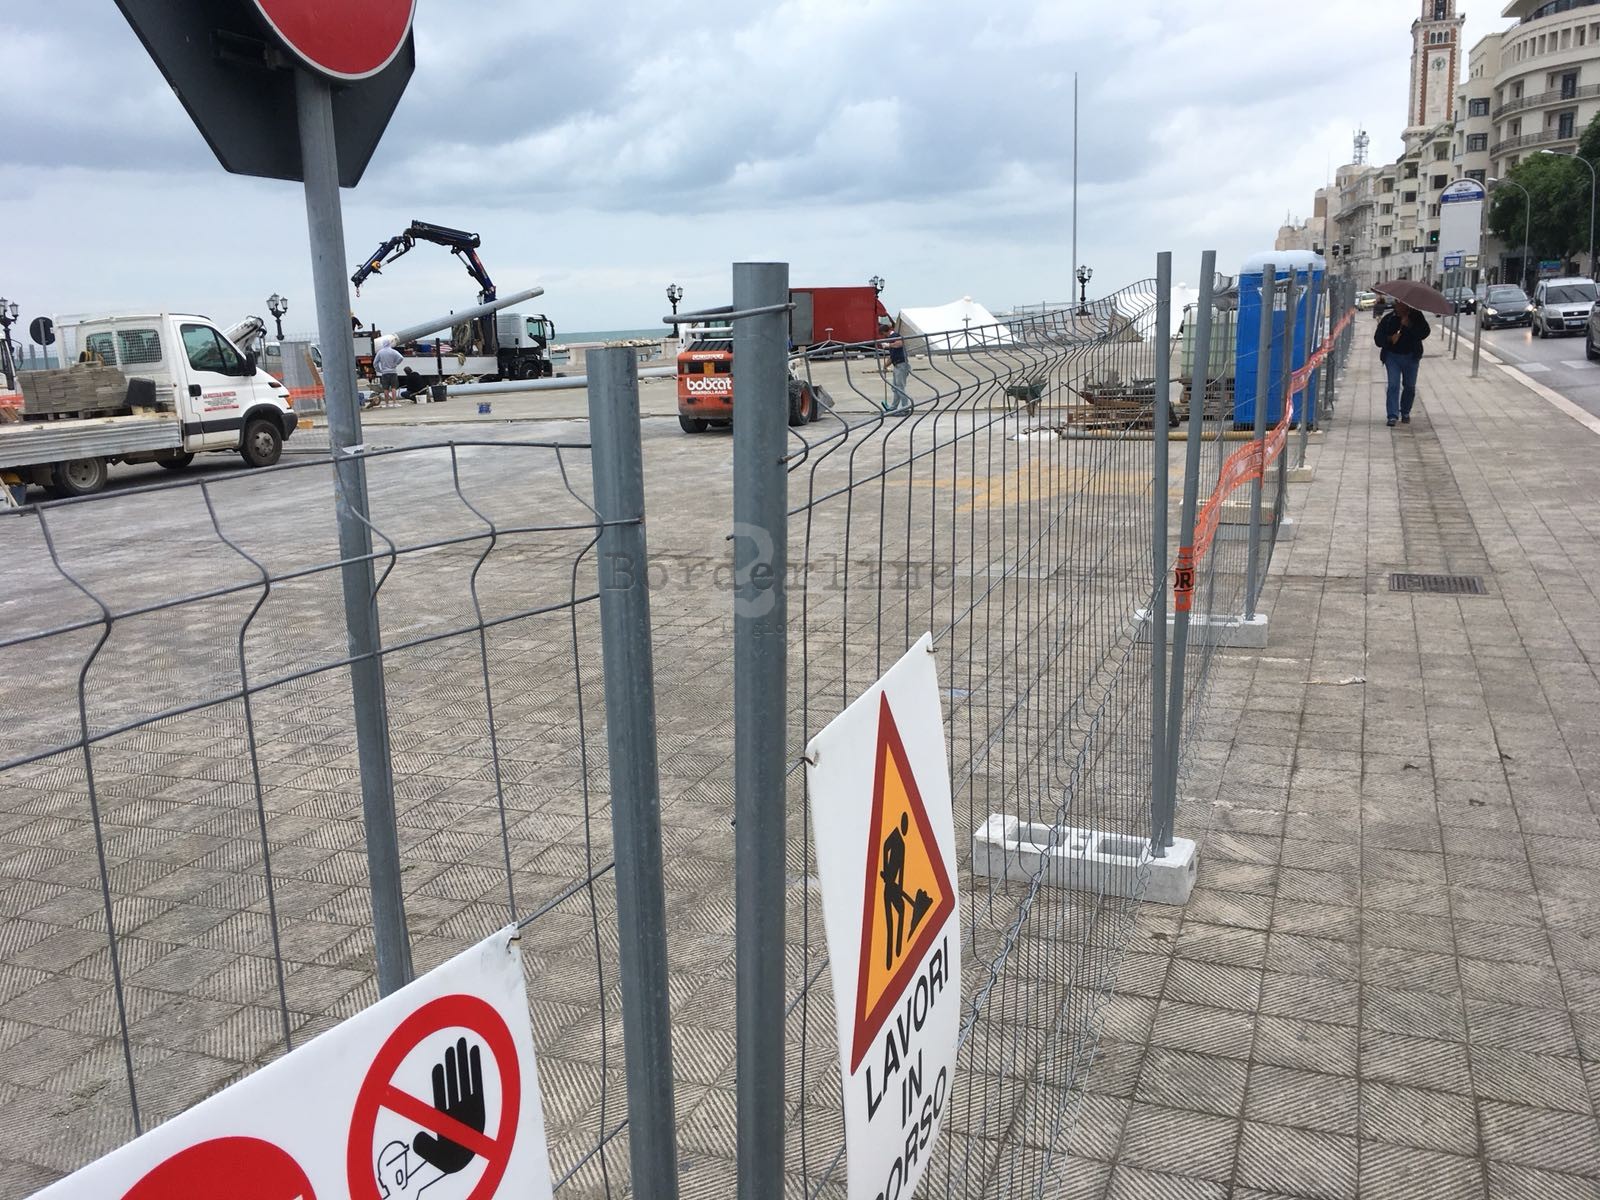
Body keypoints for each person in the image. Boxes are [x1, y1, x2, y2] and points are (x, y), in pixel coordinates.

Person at [1373, 297, 1430, 427]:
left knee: (1409, 386)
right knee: (1393, 385)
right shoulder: (1389, 319)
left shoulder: (1416, 316)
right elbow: (1378, 339)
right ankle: (1392, 415)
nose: (1399, 306)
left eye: (1402, 303)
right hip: (1392, 357)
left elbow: (1424, 333)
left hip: (1411, 356)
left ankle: (1405, 411)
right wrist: (1390, 338)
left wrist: (1409, 325)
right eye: (1397, 303)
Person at [880, 324, 911, 415]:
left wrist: (888, 345)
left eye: (882, 334)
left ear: (884, 332)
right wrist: (885, 366)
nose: (883, 336)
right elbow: (892, 357)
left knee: (900, 387)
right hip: (897, 365)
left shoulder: (895, 335)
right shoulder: (891, 339)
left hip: (901, 365)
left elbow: (900, 343)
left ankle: (905, 409)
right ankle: (893, 407)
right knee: (895, 387)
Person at [371, 338, 404, 409]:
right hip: (393, 372)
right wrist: (396, 364)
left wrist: (379, 370)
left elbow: (375, 363)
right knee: (394, 388)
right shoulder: (393, 351)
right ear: (389, 343)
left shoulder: (380, 352)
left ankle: (387, 404)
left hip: (384, 373)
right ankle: (394, 403)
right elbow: (401, 358)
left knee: (385, 388)